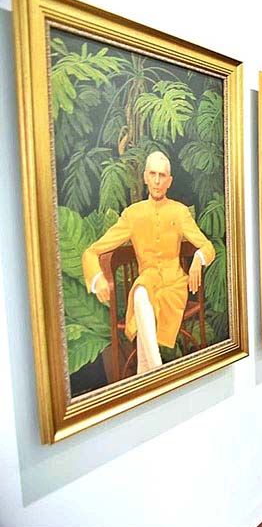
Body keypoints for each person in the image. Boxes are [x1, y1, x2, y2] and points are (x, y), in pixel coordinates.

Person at [82, 151, 215, 375]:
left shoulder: (179, 212)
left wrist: (197, 260)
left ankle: (147, 371)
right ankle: (156, 370)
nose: (156, 180)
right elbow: (93, 251)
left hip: (174, 286)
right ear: (144, 177)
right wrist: (97, 277)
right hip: (147, 282)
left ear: (169, 181)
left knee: (141, 297)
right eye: (152, 174)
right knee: (141, 292)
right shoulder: (132, 215)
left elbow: (207, 247)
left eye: (162, 175)